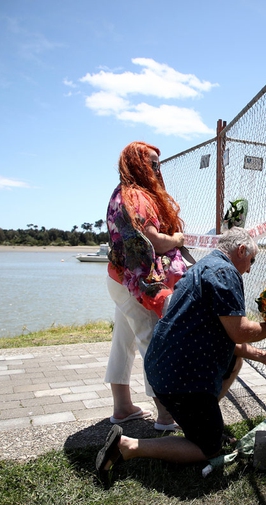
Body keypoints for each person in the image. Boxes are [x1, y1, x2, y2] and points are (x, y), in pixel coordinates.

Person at [96, 227, 266, 476]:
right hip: (182, 379)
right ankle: (128, 446)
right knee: (209, 448)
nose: (250, 268)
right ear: (241, 250)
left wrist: (262, 355)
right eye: (251, 260)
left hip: (165, 369)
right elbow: (239, 331)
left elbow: (224, 336)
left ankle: (200, 420)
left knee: (234, 362)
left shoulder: (205, 265)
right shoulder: (225, 272)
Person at [104, 141, 186, 429]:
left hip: (118, 279)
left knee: (123, 342)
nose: (156, 169)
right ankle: (165, 416)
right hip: (139, 286)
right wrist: (177, 240)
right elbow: (155, 240)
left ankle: (123, 407)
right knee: (153, 343)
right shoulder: (138, 197)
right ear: (137, 165)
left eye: (157, 164)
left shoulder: (120, 194)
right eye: (152, 163)